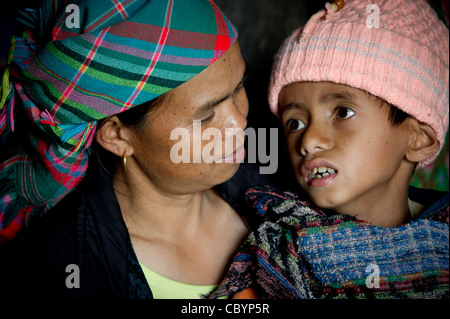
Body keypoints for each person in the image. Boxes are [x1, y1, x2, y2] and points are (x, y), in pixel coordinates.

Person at [0, 0, 269, 299]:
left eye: (239, 87)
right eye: (206, 116)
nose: (239, 122)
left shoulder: (280, 194)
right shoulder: (64, 270)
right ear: (117, 135)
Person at [209, 0, 449, 299]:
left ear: (418, 139)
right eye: (294, 123)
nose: (308, 140)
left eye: (343, 113)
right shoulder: (282, 251)